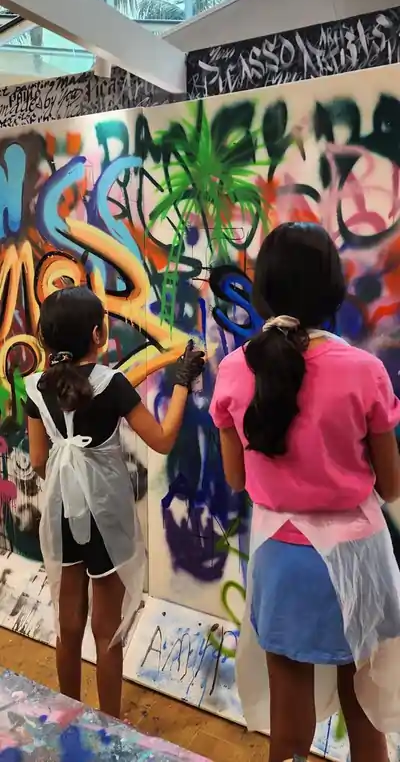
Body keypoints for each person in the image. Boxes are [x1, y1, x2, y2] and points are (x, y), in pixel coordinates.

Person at [210, 222, 400, 762]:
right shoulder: (365, 371)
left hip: (281, 562)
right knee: (366, 719)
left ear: (264, 291)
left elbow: (236, 479)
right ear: (333, 291)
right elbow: (391, 485)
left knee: (287, 730)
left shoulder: (235, 370)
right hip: (356, 564)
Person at [26, 285, 204, 719]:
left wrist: (69, 478)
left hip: (63, 513)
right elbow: (162, 440)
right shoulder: (111, 384)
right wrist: (182, 382)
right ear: (97, 334)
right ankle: (109, 726)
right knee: (107, 631)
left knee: (68, 625)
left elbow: (38, 461)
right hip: (105, 518)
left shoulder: (35, 387)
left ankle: (68, 716)